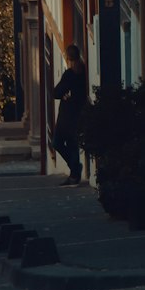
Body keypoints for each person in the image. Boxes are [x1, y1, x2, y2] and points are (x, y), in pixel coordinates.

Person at [52, 44, 87, 185]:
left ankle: (75, 170)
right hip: (78, 113)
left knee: (57, 143)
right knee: (73, 144)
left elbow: (56, 92)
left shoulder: (69, 74)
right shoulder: (83, 72)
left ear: (68, 58)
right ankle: (74, 173)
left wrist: (65, 95)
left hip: (66, 114)